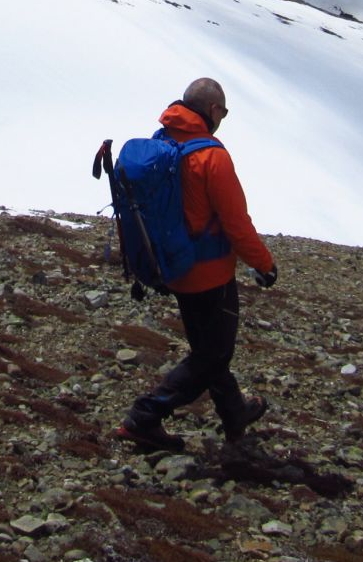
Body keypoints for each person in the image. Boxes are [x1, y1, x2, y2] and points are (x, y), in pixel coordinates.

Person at [117, 77, 277, 451]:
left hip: (174, 268)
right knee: (213, 355)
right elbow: (236, 222)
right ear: (213, 110)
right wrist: (264, 264)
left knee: (207, 350)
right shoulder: (212, 157)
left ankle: (235, 412)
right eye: (223, 111)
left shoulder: (162, 141)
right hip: (212, 275)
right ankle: (144, 417)